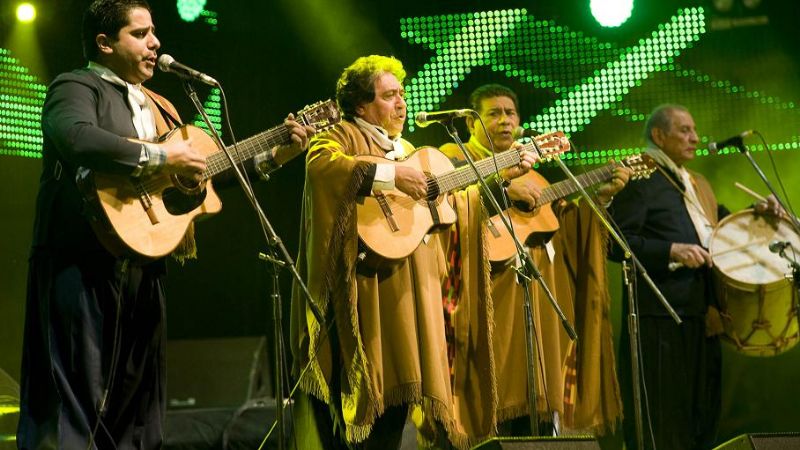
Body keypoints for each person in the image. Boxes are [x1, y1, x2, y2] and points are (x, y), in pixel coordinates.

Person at [17, 1, 313, 448]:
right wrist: (160, 155)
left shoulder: (163, 105)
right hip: (79, 260)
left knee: (138, 402)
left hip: (143, 263)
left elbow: (204, 170)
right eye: (139, 34)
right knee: (74, 400)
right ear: (104, 43)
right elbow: (76, 137)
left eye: (153, 32)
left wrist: (275, 155)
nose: (155, 43)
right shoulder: (76, 86)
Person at [290, 58, 536, 449]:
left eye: (402, 94)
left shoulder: (407, 149)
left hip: (411, 294)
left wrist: (502, 180)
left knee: (396, 415)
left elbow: (458, 205)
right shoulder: (341, 134)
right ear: (361, 105)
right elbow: (323, 168)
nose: (402, 103)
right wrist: (391, 175)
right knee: (362, 418)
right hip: (365, 292)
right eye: (390, 96)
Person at [439, 84, 629, 438]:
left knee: (536, 408)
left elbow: (561, 226)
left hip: (536, 299)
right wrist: (503, 189)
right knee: (493, 404)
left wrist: (598, 200)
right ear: (470, 124)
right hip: (484, 296)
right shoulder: (453, 157)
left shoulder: (532, 170)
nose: (504, 120)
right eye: (493, 113)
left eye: (510, 113)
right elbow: (446, 206)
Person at [607, 104, 783, 449]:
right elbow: (614, 242)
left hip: (704, 314)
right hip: (660, 316)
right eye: (685, 130)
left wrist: (757, 213)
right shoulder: (641, 176)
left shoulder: (694, 182)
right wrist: (670, 250)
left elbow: (716, 231)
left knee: (701, 419)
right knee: (666, 421)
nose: (696, 138)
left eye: (694, 129)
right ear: (659, 135)